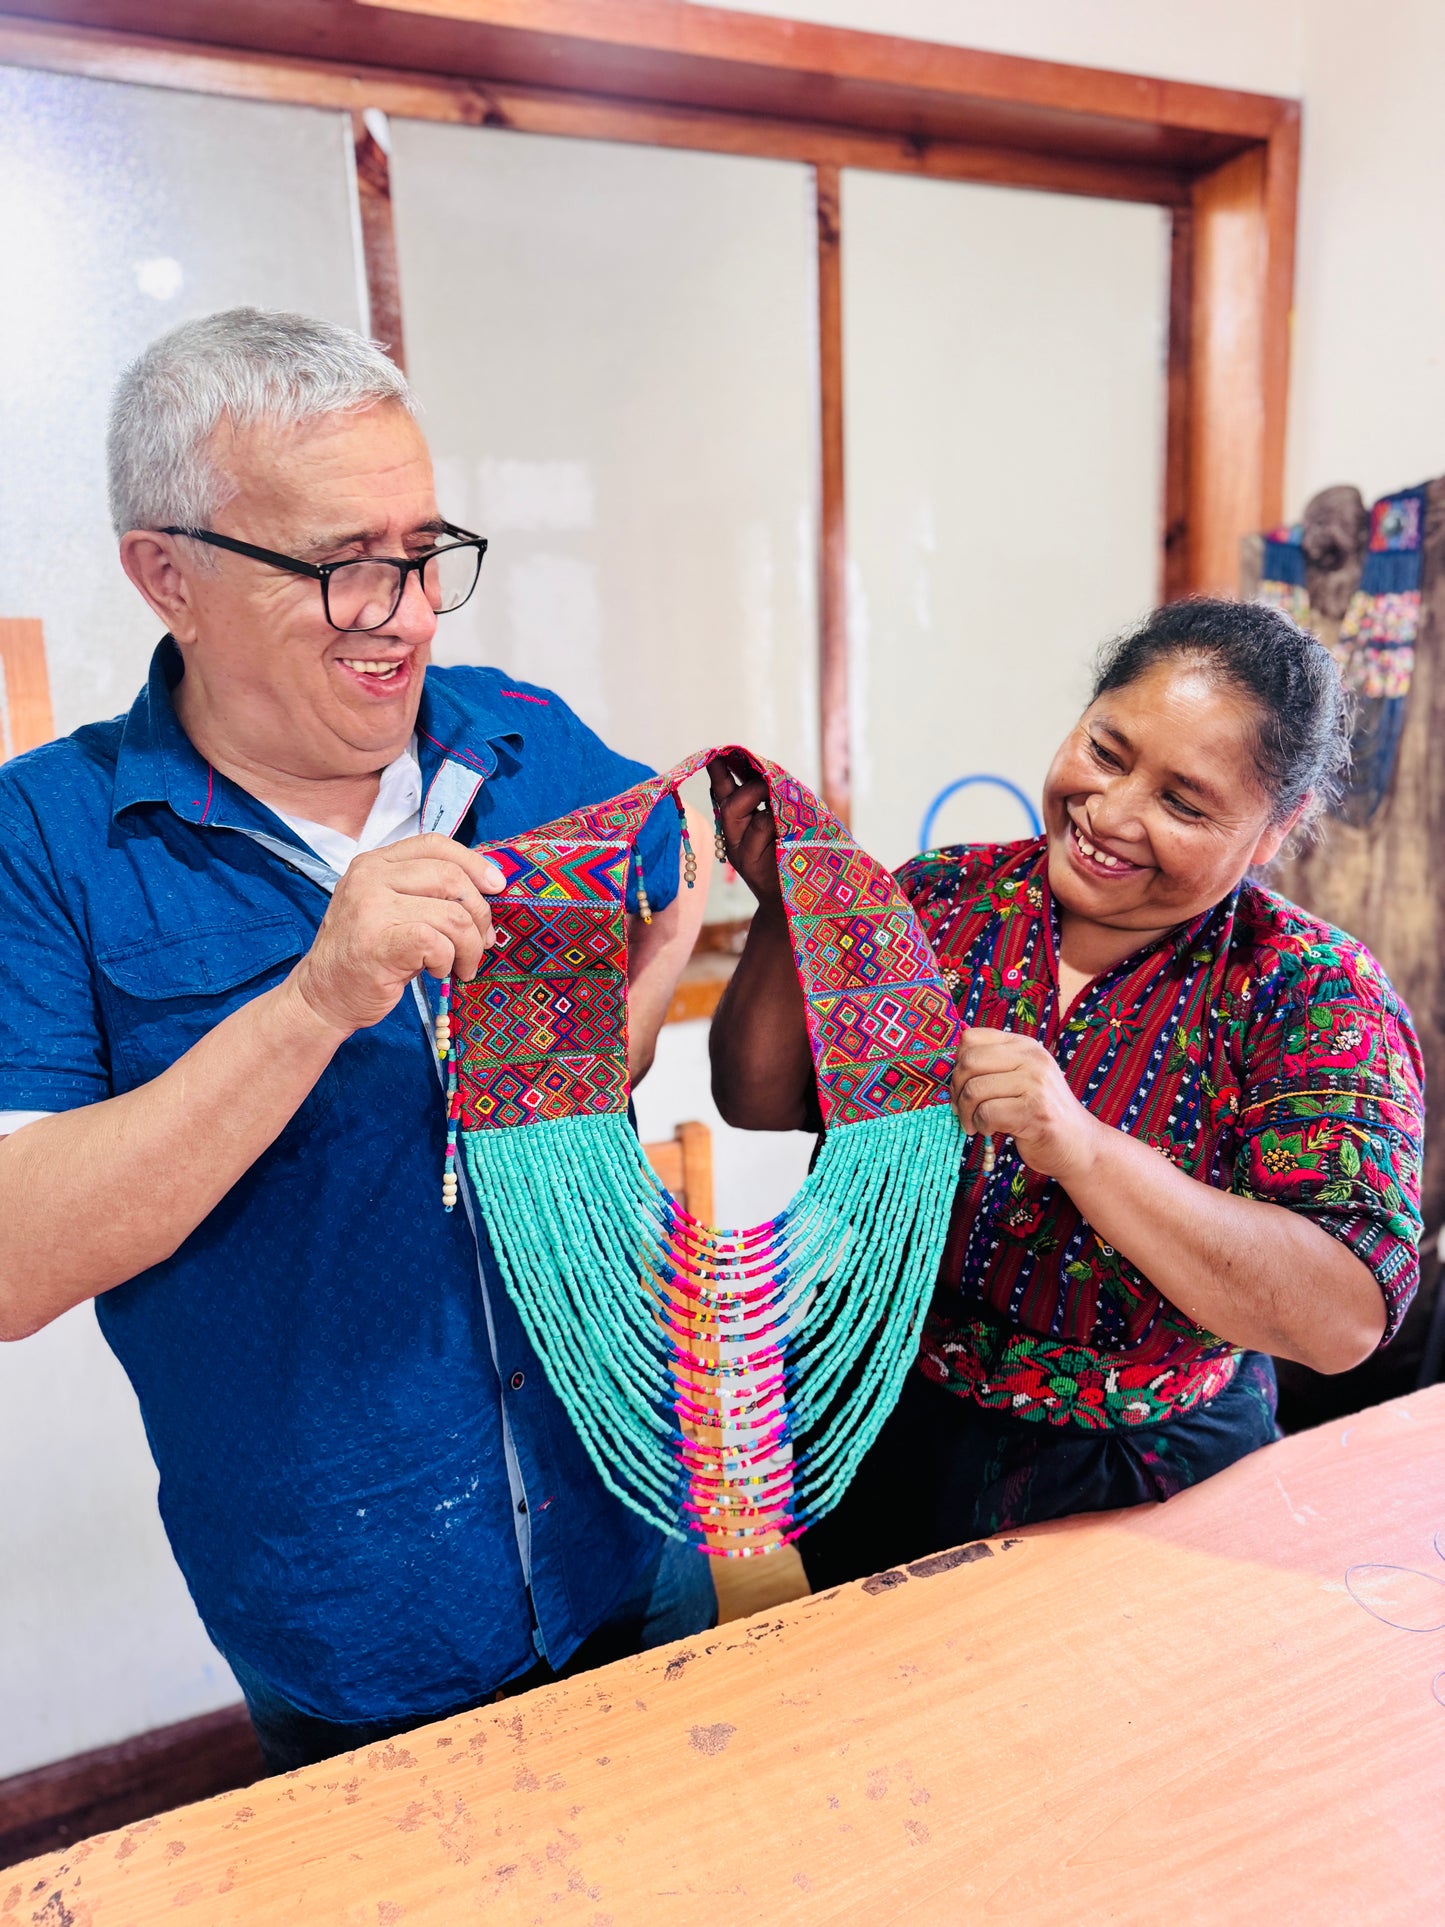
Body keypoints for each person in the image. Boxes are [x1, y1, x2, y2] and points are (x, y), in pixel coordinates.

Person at [0, 308, 713, 1771]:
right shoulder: (48, 838)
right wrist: (319, 997)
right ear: (167, 574)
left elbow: (629, 975)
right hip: (354, 1611)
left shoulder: (524, 741)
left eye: (423, 549)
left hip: (631, 1516)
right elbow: (15, 1261)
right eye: (340, 564)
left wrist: (647, 979)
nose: (403, 610)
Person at [709, 599, 1424, 1585]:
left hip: (1153, 1486)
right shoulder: (937, 903)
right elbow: (763, 1099)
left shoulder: (1306, 989)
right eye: (1104, 750)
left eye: (1182, 803)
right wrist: (784, 912)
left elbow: (1342, 1316)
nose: (1110, 814)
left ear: (1274, 830)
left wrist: (1081, 1147)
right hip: (893, 1435)